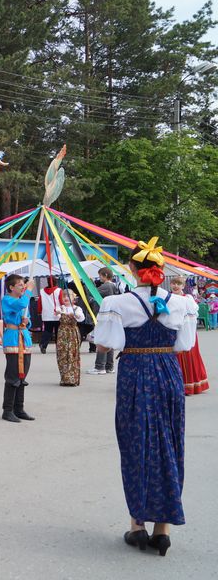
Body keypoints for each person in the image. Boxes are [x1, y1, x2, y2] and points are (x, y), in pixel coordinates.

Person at [94, 238, 196, 556]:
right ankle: (162, 531)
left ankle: (137, 526)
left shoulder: (117, 303)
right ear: (161, 270)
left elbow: (105, 344)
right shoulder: (182, 303)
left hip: (134, 372)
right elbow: (184, 345)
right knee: (169, 443)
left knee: (136, 442)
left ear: (132, 269)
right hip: (168, 373)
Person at [1, 275, 35, 423]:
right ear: (11, 287)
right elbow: (20, 304)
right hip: (13, 339)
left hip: (24, 338)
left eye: (24, 284)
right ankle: (7, 410)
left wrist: (27, 322)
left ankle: (19, 409)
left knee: (22, 375)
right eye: (20, 285)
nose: (23, 287)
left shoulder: (23, 301)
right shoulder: (7, 300)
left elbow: (28, 319)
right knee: (13, 375)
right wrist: (29, 290)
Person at [169, 276, 209, 395]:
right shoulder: (168, 298)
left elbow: (193, 315)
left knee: (188, 356)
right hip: (173, 332)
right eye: (173, 283)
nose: (176, 286)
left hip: (188, 332)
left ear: (183, 286)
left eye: (178, 284)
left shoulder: (188, 298)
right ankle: (177, 386)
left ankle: (190, 386)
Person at [87, 267, 122, 374]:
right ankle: (109, 367)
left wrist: (89, 284)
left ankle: (99, 367)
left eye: (100, 276)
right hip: (112, 316)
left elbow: (92, 293)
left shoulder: (106, 286)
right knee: (109, 341)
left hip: (104, 316)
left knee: (102, 340)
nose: (99, 278)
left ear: (105, 275)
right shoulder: (114, 286)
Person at [54, 289, 85, 387]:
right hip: (62, 333)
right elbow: (55, 317)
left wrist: (75, 315)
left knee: (72, 354)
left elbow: (81, 318)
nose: (66, 298)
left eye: (68, 296)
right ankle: (64, 378)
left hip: (72, 333)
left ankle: (72, 379)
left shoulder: (77, 309)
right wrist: (56, 313)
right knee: (62, 354)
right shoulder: (61, 308)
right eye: (64, 296)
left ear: (73, 298)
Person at [38, 280, 61, 354]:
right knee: (58, 332)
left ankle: (43, 345)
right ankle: (59, 347)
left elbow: (39, 302)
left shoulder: (42, 291)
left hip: (46, 314)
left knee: (47, 331)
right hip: (57, 314)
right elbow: (61, 301)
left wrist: (39, 311)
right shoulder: (59, 290)